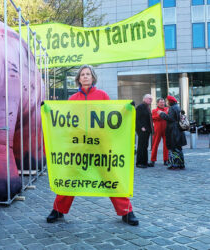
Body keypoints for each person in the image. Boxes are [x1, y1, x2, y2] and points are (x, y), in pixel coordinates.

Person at [46, 65, 139, 226]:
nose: (85, 76)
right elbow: (65, 120)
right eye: (82, 74)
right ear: (78, 79)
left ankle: (126, 211)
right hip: (79, 144)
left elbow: (112, 116)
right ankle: (58, 209)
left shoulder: (102, 95)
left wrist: (127, 109)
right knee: (70, 177)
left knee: (110, 176)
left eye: (88, 74)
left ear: (93, 77)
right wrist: (48, 109)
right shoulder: (73, 99)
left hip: (100, 143)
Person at [157, 96, 187, 170]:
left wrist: (161, 113)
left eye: (166, 101)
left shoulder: (172, 108)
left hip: (173, 130)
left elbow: (170, 118)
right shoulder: (177, 107)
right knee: (178, 148)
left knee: (173, 148)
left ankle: (174, 165)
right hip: (178, 130)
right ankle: (181, 164)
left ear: (170, 101)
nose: (166, 102)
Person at [135, 94, 153, 168]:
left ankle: (145, 162)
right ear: (144, 99)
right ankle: (139, 163)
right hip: (142, 130)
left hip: (147, 129)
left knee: (145, 146)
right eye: (149, 99)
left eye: (151, 99)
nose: (151, 100)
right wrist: (141, 127)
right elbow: (136, 118)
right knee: (141, 146)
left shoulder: (147, 107)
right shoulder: (140, 107)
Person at [149, 98, 169, 166]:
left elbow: (166, 116)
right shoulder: (154, 110)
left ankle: (166, 160)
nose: (162, 103)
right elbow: (158, 117)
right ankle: (152, 160)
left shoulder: (167, 109)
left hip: (166, 130)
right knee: (155, 145)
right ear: (157, 103)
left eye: (163, 102)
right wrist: (164, 114)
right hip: (157, 130)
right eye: (161, 102)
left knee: (166, 145)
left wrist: (162, 114)